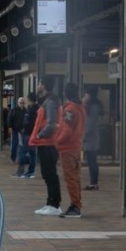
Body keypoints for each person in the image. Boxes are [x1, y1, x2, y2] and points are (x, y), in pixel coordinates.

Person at [29, 76, 62, 215]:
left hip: (48, 143)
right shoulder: (49, 101)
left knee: (50, 174)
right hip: (47, 143)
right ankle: (50, 203)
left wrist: (39, 135)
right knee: (48, 174)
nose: (37, 86)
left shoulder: (50, 102)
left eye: (39, 83)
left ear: (43, 85)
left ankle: (54, 204)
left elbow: (51, 123)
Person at [56, 83, 86, 219]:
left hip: (68, 148)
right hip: (76, 146)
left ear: (65, 93)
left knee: (70, 178)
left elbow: (67, 130)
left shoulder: (70, 110)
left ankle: (75, 206)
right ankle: (76, 204)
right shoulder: (80, 108)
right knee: (76, 177)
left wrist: (58, 141)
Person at [83, 86, 104, 190]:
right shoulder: (95, 106)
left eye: (86, 94)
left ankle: (94, 183)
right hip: (92, 137)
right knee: (92, 160)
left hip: (90, 138)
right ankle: (93, 182)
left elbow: (90, 124)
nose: (84, 97)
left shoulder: (92, 107)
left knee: (92, 161)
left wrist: (83, 134)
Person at [14, 92, 38, 178]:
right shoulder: (37, 108)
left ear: (29, 99)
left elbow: (29, 122)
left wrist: (24, 130)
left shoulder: (31, 110)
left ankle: (20, 172)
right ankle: (30, 172)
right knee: (32, 153)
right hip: (34, 134)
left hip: (28, 134)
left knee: (23, 152)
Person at [7, 97, 26, 164]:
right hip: (15, 130)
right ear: (18, 103)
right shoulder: (14, 110)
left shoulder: (25, 111)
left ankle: (22, 158)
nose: (22, 104)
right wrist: (10, 127)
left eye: (23, 103)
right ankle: (13, 158)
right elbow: (9, 119)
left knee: (23, 145)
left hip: (23, 130)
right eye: (21, 103)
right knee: (14, 144)